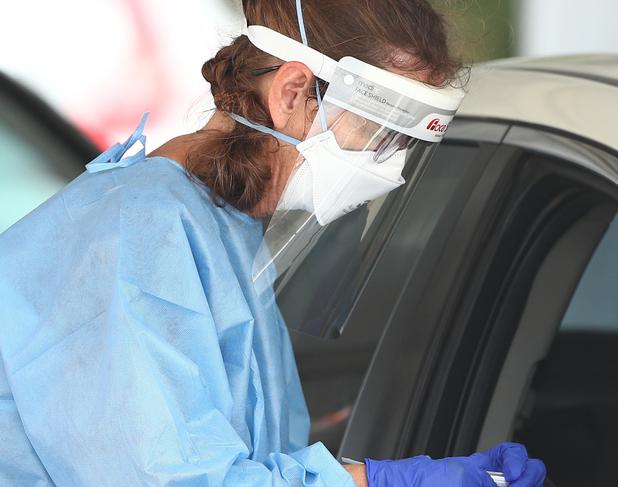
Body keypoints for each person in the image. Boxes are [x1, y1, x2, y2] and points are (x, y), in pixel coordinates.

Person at [0, 0, 546, 486]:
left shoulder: (221, 226)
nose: (393, 169)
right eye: (383, 132)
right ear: (292, 92)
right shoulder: (133, 235)